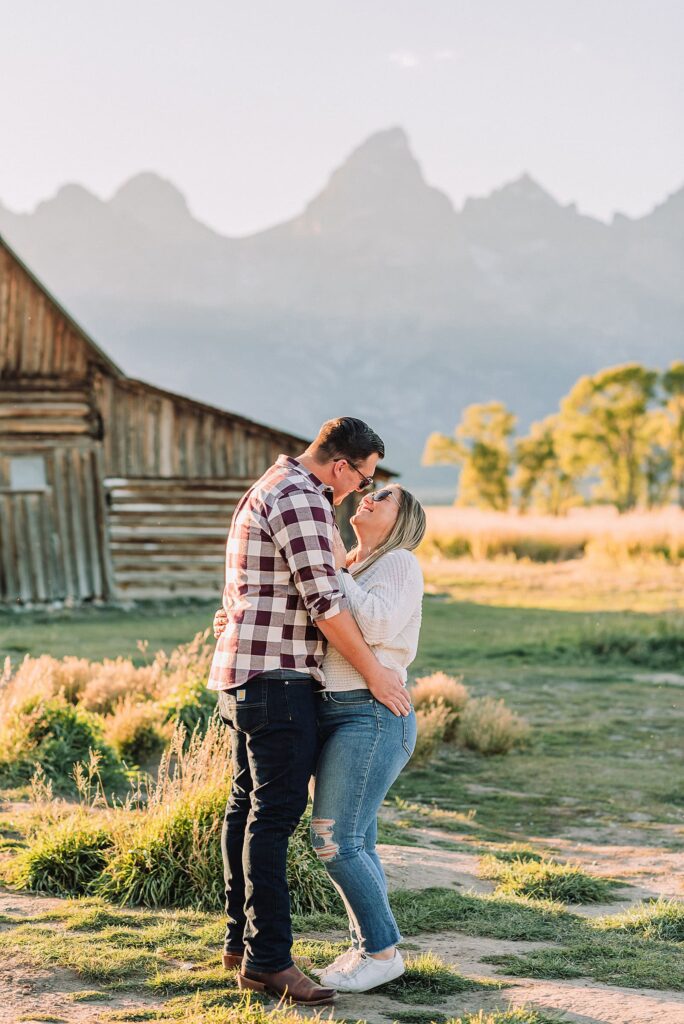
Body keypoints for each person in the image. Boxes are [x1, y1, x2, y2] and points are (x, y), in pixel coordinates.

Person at [207, 417, 410, 1007]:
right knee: (272, 819)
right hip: (277, 679)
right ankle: (270, 961)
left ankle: (241, 943)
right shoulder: (302, 498)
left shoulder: (271, 485)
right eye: (363, 476)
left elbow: (249, 588)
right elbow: (323, 602)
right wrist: (375, 674)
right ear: (342, 464)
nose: (358, 491)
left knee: (246, 809)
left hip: (248, 676)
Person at [311, 483, 426, 993]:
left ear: (403, 521)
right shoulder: (354, 566)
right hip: (334, 715)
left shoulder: (398, 562)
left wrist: (333, 568)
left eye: (385, 497)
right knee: (361, 842)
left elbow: (377, 624)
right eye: (370, 492)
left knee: (333, 840)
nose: (369, 498)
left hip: (375, 715)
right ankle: (367, 947)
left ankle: (382, 951)